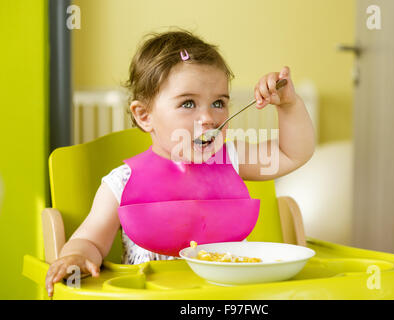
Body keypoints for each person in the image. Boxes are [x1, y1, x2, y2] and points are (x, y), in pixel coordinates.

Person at [45, 29, 315, 297]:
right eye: (188, 103)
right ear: (144, 115)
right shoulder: (121, 183)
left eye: (219, 102)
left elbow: (291, 153)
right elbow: (90, 240)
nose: (208, 117)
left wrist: (288, 105)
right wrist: (77, 257)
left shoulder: (231, 158)